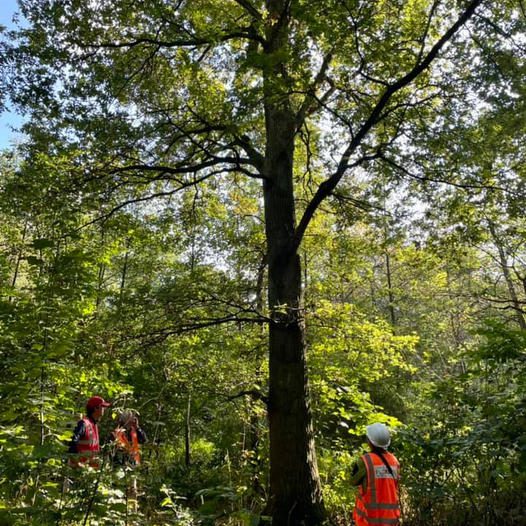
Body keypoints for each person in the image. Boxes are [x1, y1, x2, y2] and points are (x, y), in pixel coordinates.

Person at [351, 423, 401, 526]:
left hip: (368, 520)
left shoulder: (365, 461)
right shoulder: (394, 461)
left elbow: (353, 481)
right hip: (389, 520)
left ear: (369, 441)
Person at [109, 410, 147, 512]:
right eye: (130, 419)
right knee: (118, 491)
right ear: (124, 420)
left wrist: (138, 427)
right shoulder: (117, 432)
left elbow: (144, 440)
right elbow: (111, 452)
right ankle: (117, 514)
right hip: (119, 467)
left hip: (133, 466)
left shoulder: (135, 431)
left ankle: (131, 515)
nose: (132, 421)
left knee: (132, 491)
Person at [68, 395, 111, 468]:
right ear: (96, 408)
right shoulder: (84, 424)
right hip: (79, 469)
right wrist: (77, 463)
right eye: (102, 407)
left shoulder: (93, 424)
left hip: (88, 469)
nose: (104, 409)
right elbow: (72, 442)